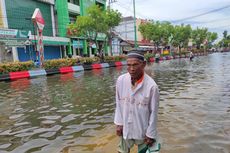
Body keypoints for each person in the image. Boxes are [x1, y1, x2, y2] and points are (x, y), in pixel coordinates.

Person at [114, 50, 160, 153]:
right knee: (121, 151)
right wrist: (119, 123)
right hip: (126, 126)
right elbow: (118, 103)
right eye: (129, 65)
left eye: (135, 65)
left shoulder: (151, 86)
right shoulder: (121, 80)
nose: (131, 69)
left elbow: (154, 112)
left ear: (143, 64)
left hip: (142, 129)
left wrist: (150, 133)